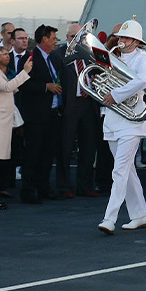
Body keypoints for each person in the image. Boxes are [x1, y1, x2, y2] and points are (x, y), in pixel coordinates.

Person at [97, 18, 146, 234]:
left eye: (127, 37)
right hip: (112, 120)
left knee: (119, 171)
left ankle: (109, 218)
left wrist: (117, 94)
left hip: (132, 121)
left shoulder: (142, 57)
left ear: (136, 41)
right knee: (127, 171)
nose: (122, 40)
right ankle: (140, 215)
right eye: (121, 36)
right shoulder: (112, 57)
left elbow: (143, 81)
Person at [53, 22, 100, 198]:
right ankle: (64, 186)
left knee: (89, 147)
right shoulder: (58, 54)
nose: (77, 40)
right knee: (65, 148)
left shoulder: (89, 54)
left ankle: (85, 185)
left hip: (89, 104)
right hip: (69, 106)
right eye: (73, 37)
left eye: (81, 36)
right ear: (67, 37)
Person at [18, 24, 62, 204]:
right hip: (36, 116)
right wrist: (46, 87)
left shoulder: (53, 58)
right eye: (53, 38)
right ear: (44, 39)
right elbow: (23, 84)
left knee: (47, 153)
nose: (55, 42)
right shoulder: (29, 58)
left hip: (52, 114)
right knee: (33, 154)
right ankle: (28, 191)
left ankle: (44, 187)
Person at [0, 46, 33, 206]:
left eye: (7, 54)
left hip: (5, 120)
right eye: (4, 54)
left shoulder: (5, 73)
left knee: (4, 156)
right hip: (0, 121)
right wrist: (25, 72)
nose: (7, 56)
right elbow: (6, 87)